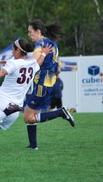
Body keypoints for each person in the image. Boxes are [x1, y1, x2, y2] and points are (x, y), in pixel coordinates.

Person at [22, 19, 75, 149]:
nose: (29, 35)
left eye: (30, 32)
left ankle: (61, 112)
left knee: (28, 117)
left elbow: (34, 61)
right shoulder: (53, 45)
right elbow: (58, 69)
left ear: (38, 31)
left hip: (42, 83)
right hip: (50, 81)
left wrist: (19, 64)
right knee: (29, 114)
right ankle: (33, 145)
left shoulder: (40, 43)